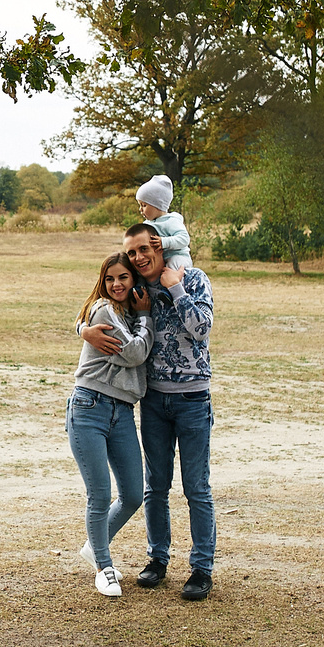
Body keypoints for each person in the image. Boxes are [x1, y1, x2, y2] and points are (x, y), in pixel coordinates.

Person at [87, 221, 216, 600]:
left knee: (197, 488)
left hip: (193, 399)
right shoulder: (136, 291)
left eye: (144, 249)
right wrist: (82, 329)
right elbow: (98, 303)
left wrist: (175, 286)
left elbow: (202, 328)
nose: (139, 257)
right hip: (155, 401)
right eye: (132, 252)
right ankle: (157, 559)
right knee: (154, 488)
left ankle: (201, 567)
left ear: (158, 246)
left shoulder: (193, 279)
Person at [65, 251, 152, 600]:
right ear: (103, 282)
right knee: (99, 494)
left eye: (124, 278)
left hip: (123, 411)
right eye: (110, 278)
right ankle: (104, 567)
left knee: (132, 493)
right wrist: (145, 317)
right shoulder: (105, 310)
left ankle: (94, 545)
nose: (117, 284)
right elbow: (134, 354)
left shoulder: (128, 312)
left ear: (134, 280)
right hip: (89, 407)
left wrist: (80, 328)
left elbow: (81, 319)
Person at [136, 175, 193, 272]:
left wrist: (164, 242)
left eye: (144, 205)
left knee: (171, 267)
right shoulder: (147, 224)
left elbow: (184, 239)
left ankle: (175, 285)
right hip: (160, 260)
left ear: (158, 205)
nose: (140, 209)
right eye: (140, 205)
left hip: (178, 257)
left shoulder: (171, 221)